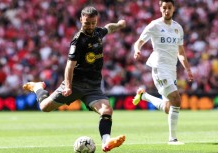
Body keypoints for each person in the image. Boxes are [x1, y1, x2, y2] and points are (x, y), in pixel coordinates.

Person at [23, 6, 126, 152]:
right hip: (75, 84)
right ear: (80, 20)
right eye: (86, 23)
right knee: (44, 107)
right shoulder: (78, 41)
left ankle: (106, 142)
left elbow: (109, 28)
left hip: (93, 87)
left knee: (107, 110)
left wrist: (120, 25)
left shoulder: (98, 32)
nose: (90, 26)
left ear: (96, 21)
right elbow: (69, 67)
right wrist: (68, 86)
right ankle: (38, 87)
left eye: (92, 23)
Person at [132, 0, 193, 145]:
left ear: (173, 9)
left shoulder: (178, 28)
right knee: (176, 99)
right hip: (159, 67)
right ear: (160, 8)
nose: (166, 10)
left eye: (169, 8)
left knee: (168, 108)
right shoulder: (154, 25)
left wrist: (188, 69)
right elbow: (139, 41)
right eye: (164, 8)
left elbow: (181, 52)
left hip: (172, 69)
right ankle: (172, 139)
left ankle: (144, 96)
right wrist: (137, 49)